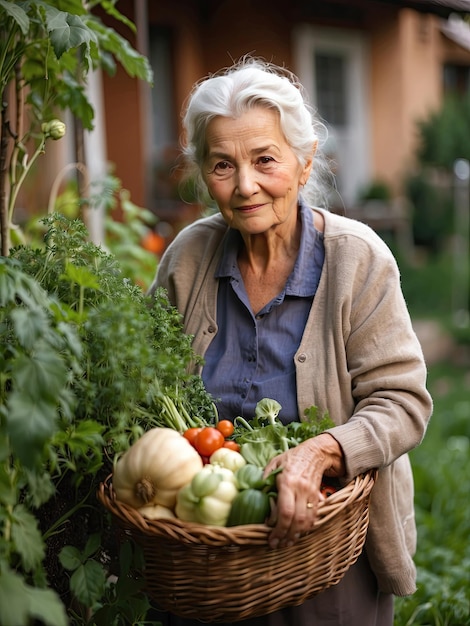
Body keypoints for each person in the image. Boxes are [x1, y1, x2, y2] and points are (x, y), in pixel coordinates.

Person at [148, 56, 432, 626]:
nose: (245, 185)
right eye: (222, 164)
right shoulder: (187, 259)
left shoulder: (358, 259)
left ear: (305, 165)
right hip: (205, 562)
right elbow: (146, 389)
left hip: (330, 558)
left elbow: (404, 402)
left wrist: (321, 451)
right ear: (203, 172)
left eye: (265, 160)